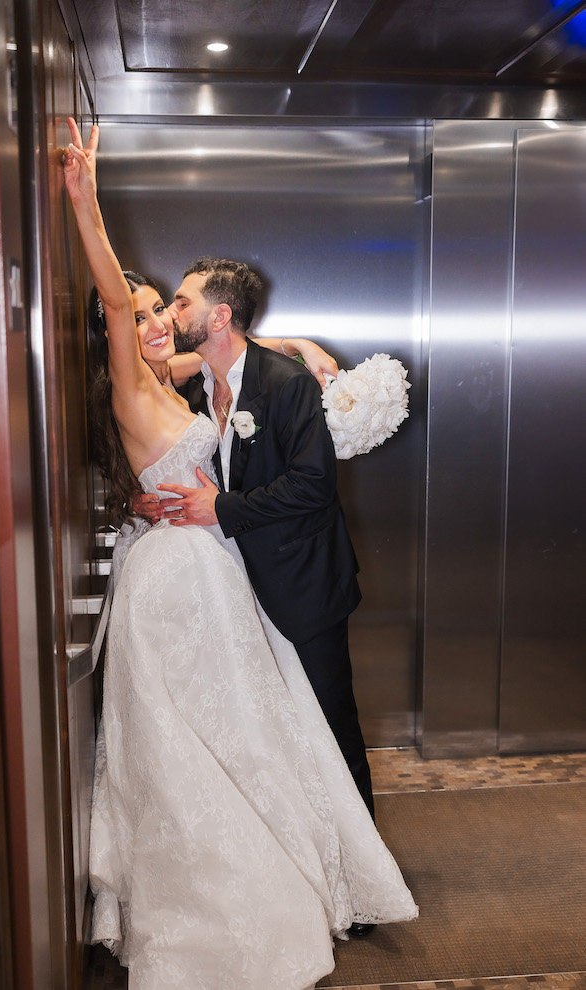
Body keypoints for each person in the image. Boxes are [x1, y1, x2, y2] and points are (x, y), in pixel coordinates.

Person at [63, 117, 417, 990]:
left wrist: (301, 349)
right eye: (149, 313)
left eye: (168, 310)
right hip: (182, 576)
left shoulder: (180, 376)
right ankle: (211, 888)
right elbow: (114, 301)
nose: (158, 322)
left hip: (237, 573)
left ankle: (306, 863)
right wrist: (84, 202)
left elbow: (252, 364)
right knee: (197, 740)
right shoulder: (134, 371)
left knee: (269, 727)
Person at [155, 261, 376, 831]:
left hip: (305, 586)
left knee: (330, 726)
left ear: (219, 316)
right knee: (282, 734)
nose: (171, 312)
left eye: (181, 303)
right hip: (240, 588)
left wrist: (221, 509)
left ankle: (362, 882)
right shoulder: (201, 386)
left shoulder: (286, 383)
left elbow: (313, 484)